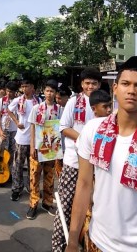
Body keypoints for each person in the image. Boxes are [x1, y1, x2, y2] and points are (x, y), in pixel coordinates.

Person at [65, 56, 137, 252]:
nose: (131, 91)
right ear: (115, 88)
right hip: (95, 241)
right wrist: (72, 239)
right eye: (125, 84)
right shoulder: (93, 130)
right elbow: (84, 184)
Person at [52, 68, 102, 251]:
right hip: (73, 161)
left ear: (100, 84)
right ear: (82, 84)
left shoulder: (104, 103)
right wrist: (84, 140)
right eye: (87, 83)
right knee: (66, 203)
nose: (91, 86)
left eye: (94, 83)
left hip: (96, 164)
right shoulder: (74, 102)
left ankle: (83, 241)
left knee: (92, 206)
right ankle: (58, 245)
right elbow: (64, 127)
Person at [27, 80, 62, 220]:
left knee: (49, 176)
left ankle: (47, 202)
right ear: (44, 91)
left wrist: (59, 149)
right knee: (34, 175)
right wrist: (32, 147)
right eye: (47, 91)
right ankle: (33, 203)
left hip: (52, 146)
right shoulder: (37, 108)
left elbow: (61, 128)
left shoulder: (59, 109)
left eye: (52, 91)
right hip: (38, 146)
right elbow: (33, 127)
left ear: (55, 93)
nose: (49, 93)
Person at [7, 79, 40, 202]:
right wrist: (16, 122)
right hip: (21, 139)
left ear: (32, 87)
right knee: (17, 166)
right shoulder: (18, 100)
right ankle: (16, 189)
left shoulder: (39, 101)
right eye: (22, 86)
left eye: (27, 86)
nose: (24, 88)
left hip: (34, 140)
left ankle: (31, 188)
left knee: (33, 166)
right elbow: (8, 110)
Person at [0, 81, 18, 178]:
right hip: (4, 130)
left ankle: (9, 173)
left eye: (11, 92)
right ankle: (0, 172)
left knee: (13, 153)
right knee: (2, 152)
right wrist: (0, 130)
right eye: (8, 91)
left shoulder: (19, 101)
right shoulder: (2, 100)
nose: (9, 93)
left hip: (15, 131)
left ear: (15, 92)